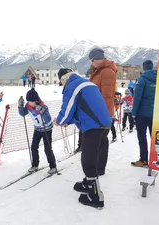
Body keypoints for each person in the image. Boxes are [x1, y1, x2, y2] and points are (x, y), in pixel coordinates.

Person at [55, 68, 111, 208]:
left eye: (61, 83)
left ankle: (95, 196)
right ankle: (87, 183)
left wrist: (60, 121)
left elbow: (67, 109)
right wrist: (71, 120)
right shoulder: (87, 83)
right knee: (93, 156)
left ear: (63, 79)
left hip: (93, 127)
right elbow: (85, 108)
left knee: (88, 160)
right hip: (104, 124)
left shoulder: (72, 86)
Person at [88, 47, 116, 174]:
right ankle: (98, 167)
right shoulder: (98, 71)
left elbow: (107, 96)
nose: (91, 63)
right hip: (98, 111)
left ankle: (99, 168)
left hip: (102, 113)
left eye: (92, 61)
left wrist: (100, 113)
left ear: (96, 59)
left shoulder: (107, 72)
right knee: (100, 141)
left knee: (101, 141)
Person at [18, 88, 57, 174]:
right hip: (37, 129)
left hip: (46, 129)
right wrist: (20, 106)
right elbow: (23, 113)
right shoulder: (28, 106)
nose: (30, 103)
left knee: (47, 149)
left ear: (36, 100)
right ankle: (35, 165)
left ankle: (53, 166)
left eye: (31, 101)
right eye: (28, 101)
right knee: (34, 147)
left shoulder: (43, 106)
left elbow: (48, 119)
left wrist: (42, 112)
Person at [131, 60, 157, 167]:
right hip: (156, 114)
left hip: (142, 114)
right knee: (154, 138)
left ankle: (144, 160)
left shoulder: (142, 80)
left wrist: (134, 113)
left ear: (144, 68)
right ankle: (156, 159)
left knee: (142, 137)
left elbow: (137, 98)